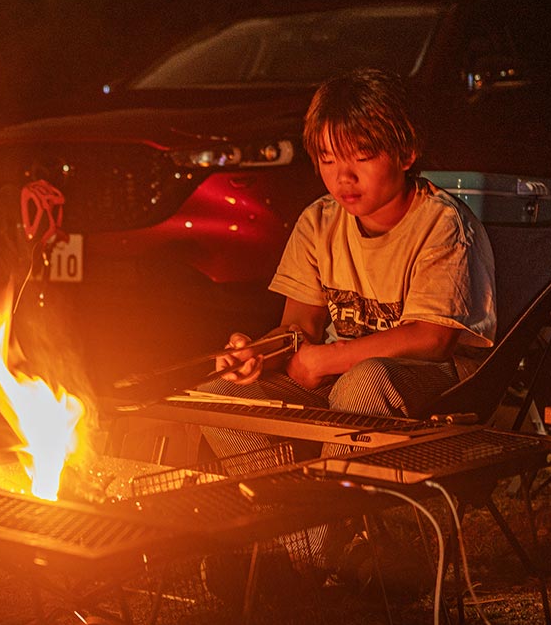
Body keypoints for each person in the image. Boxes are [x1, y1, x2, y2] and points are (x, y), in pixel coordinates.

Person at [199, 68, 496, 577]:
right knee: (218, 398)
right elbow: (300, 328)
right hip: (339, 381)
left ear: (405, 153)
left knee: (362, 384)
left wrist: (327, 358)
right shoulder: (319, 222)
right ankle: (314, 549)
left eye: (362, 158)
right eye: (329, 160)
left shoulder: (442, 223)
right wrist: (258, 354)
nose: (343, 177)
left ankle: (321, 556)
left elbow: (433, 337)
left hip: (440, 387)